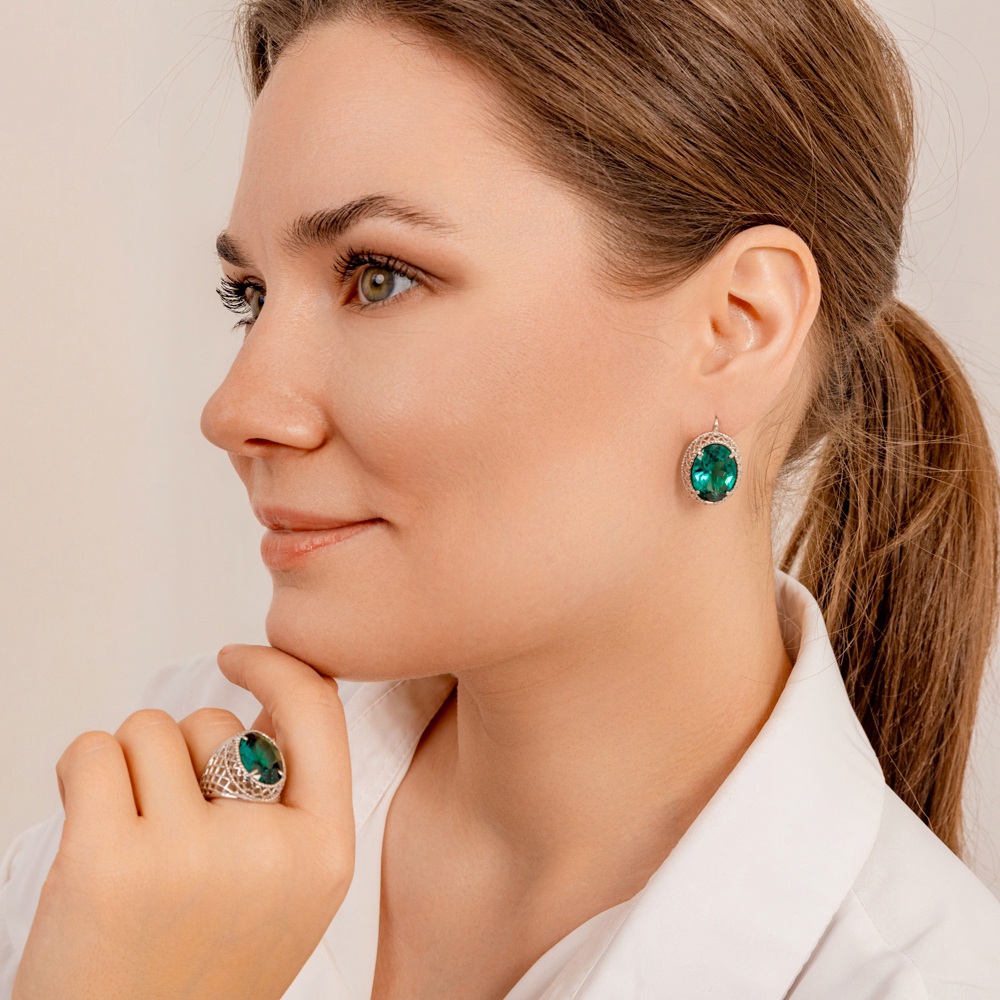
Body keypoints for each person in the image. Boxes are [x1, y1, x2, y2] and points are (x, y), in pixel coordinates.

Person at [3, 0, 1000, 996]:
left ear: (738, 326)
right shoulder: (162, 807)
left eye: (379, 278)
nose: (235, 411)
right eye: (251, 296)